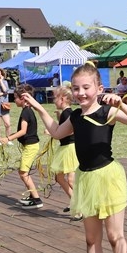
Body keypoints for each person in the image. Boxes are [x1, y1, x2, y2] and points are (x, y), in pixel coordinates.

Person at [22, 62, 127, 253]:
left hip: (108, 178)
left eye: (86, 88)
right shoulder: (75, 116)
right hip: (86, 179)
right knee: (92, 239)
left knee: (115, 236)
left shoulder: (107, 112)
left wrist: (121, 104)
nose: (81, 93)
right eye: (76, 88)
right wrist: (38, 107)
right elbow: (57, 133)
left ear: (99, 88)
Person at [5, 83, 43, 209]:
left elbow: (23, 131)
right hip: (30, 146)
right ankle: (32, 196)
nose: (14, 100)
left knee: (23, 173)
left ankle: (37, 200)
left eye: (15, 97)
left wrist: (8, 138)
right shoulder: (27, 111)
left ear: (23, 98)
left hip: (31, 146)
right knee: (23, 172)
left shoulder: (26, 112)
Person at [47, 84, 79, 215]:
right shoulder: (66, 113)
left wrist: (55, 133)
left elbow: (72, 130)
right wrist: (59, 118)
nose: (54, 100)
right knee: (59, 177)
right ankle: (74, 202)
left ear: (63, 98)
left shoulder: (68, 113)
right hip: (65, 148)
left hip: (69, 148)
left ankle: (79, 206)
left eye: (55, 98)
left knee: (70, 179)